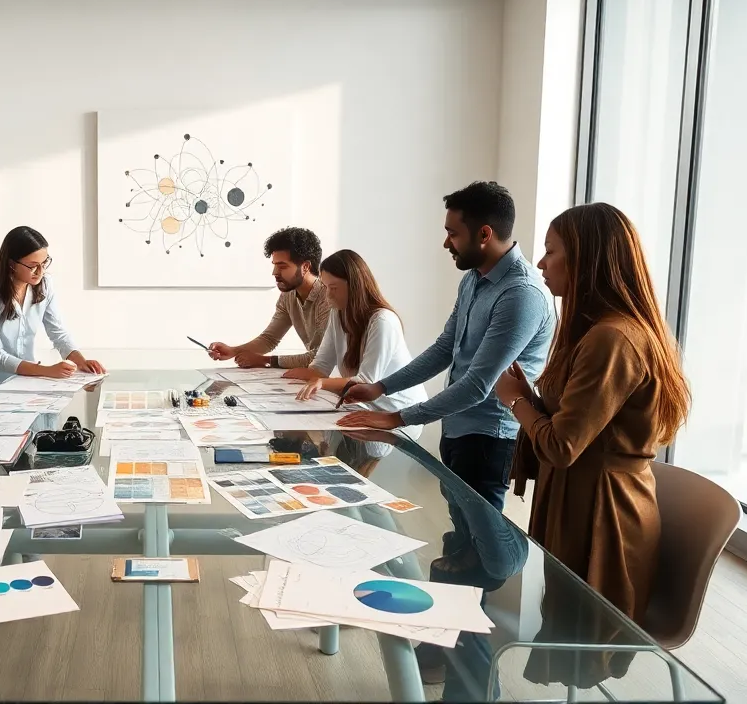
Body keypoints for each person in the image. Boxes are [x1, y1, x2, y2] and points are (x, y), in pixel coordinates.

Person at [497, 202, 689, 623]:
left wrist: (516, 401)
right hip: (585, 502)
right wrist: (530, 397)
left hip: (603, 517)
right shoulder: (603, 332)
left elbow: (562, 446)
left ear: (587, 260)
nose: (541, 263)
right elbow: (581, 424)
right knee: (564, 627)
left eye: (551, 251)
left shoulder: (611, 339)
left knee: (577, 635)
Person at [339, 181, 555, 519]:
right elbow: (444, 349)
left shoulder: (520, 294)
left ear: (484, 234)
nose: (445, 243)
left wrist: (395, 418)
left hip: (489, 439)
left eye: (452, 234)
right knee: (459, 533)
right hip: (456, 429)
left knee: (483, 540)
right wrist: (380, 388)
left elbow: (478, 385)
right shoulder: (473, 278)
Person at [290, 249, 427, 440]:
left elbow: (366, 381)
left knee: (333, 443)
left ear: (354, 286)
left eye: (333, 288)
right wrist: (284, 379)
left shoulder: (383, 320)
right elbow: (320, 367)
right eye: (325, 287)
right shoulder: (338, 314)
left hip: (396, 414)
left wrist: (321, 382)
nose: (328, 296)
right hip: (363, 407)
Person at [0, 226, 104, 386]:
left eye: (44, 263)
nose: (40, 271)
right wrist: (47, 370)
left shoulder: (45, 285)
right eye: (33, 266)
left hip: (27, 381)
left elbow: (58, 333)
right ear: (11, 264)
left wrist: (81, 361)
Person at [207, 227, 330, 372]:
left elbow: (321, 357)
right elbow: (269, 339)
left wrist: (265, 361)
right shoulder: (288, 295)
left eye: (282, 266)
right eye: (275, 266)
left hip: (338, 377)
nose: (274, 273)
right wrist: (233, 351)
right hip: (315, 375)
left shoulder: (329, 297)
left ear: (305, 267)